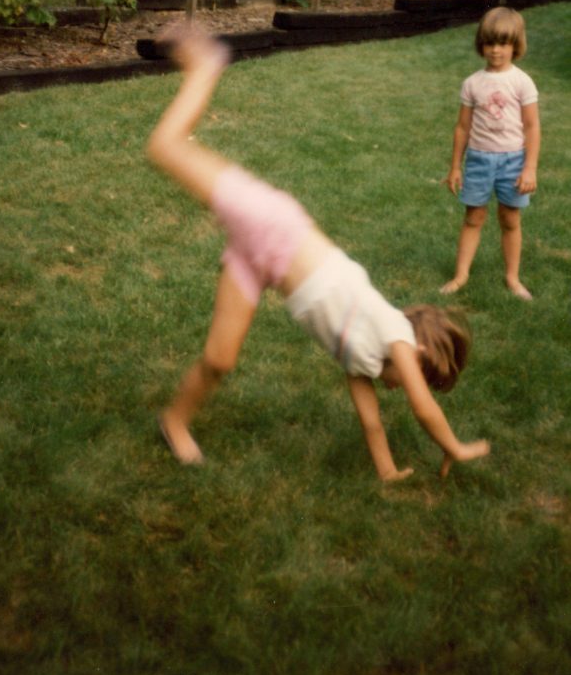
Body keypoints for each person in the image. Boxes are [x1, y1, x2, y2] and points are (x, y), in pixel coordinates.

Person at [146, 26, 490, 480]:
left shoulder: (361, 361)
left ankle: (174, 421)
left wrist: (387, 471)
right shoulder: (396, 337)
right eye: (417, 378)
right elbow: (423, 409)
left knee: (220, 359)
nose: (401, 389)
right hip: (272, 226)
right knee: (164, 146)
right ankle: (205, 67)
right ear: (419, 351)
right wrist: (454, 446)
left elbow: (370, 422)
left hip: (261, 260)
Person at [441, 6, 540, 300]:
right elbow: (462, 127)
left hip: (513, 161)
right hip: (479, 161)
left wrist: (530, 168)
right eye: (490, 43)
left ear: (515, 45)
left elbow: (532, 127)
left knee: (510, 219)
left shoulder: (522, 82)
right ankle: (461, 275)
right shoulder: (472, 83)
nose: (496, 51)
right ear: (481, 44)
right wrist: (456, 167)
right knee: (474, 218)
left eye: (504, 44)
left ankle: (512, 278)